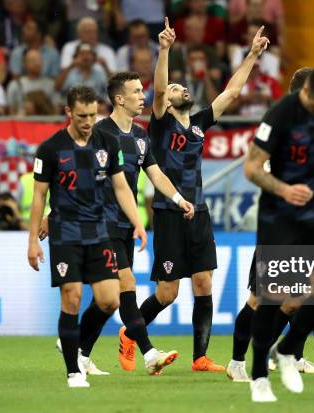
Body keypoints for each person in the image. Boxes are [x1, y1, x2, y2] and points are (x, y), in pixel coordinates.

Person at [136, 18, 268, 373]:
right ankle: (130, 333)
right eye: (177, 87)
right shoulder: (161, 121)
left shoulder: (198, 125)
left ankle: (200, 358)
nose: (180, 89)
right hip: (166, 211)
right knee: (167, 293)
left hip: (200, 212)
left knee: (203, 281)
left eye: (182, 87)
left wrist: (252, 55)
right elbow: (160, 91)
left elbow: (231, 92)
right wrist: (164, 50)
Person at [226, 67, 314, 386]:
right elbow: (254, 169)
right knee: (261, 300)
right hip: (280, 222)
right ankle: (237, 361)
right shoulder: (280, 121)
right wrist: (285, 189)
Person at [27, 85, 147, 388]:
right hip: (66, 234)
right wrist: (31, 242)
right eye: (82, 115)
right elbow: (39, 197)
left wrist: (138, 223)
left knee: (109, 301)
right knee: (72, 298)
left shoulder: (107, 142)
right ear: (68, 112)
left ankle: (75, 344)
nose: (88, 121)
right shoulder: (51, 149)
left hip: (99, 232)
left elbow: (121, 187)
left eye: (93, 115)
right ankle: (73, 371)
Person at [96, 72, 195, 374]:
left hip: (126, 224)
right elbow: (81, 175)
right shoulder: (100, 133)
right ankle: (149, 353)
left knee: (108, 299)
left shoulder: (140, 137)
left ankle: (80, 352)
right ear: (119, 99)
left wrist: (179, 200)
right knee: (126, 285)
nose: (143, 96)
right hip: (100, 221)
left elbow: (156, 174)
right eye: (137, 92)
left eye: (142, 90)